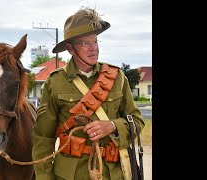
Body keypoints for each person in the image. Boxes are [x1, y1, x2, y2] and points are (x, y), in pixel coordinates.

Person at [32, 7, 145, 180]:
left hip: (113, 173)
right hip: (70, 175)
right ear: (70, 49)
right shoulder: (54, 82)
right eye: (86, 43)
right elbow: (43, 139)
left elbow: (137, 122)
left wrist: (112, 126)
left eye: (95, 42)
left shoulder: (117, 78)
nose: (93, 49)